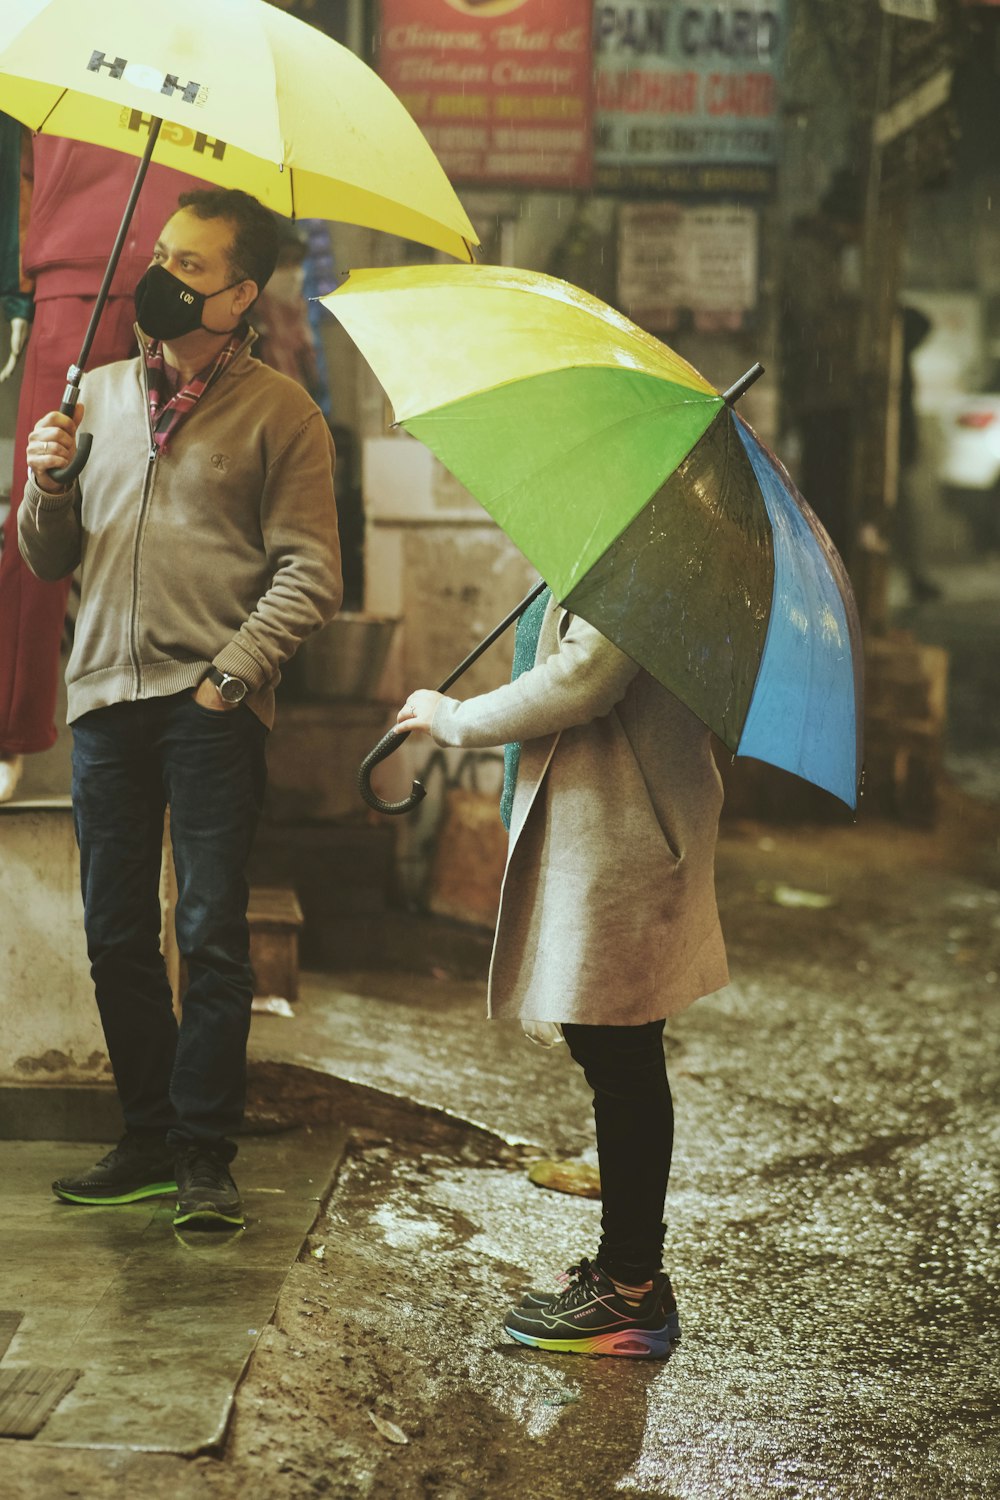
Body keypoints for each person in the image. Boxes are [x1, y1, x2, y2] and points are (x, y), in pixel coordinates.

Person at [18, 187, 342, 1229]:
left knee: (209, 933)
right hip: (105, 700)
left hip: (210, 707)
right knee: (115, 931)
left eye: (191, 266)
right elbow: (47, 557)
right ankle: (146, 1136)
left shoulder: (282, 413)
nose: (164, 277)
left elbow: (311, 573)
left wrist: (230, 677)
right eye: (162, 255)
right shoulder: (100, 395)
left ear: (242, 293)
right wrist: (49, 485)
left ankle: (206, 1153)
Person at [395, 586, 729, 1357]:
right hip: (611, 828)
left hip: (630, 833)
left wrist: (456, 719)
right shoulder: (606, 543)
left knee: (621, 1051)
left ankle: (631, 1289)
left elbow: (585, 677)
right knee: (613, 1048)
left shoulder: (643, 548)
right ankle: (630, 1277)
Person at [0, 126, 209, 801]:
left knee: (185, 505)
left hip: (188, 271)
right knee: (43, 491)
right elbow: (15, 163)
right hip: (76, 263)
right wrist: (14, 288)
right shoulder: (53, 28)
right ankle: (10, 727)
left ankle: (173, 721)